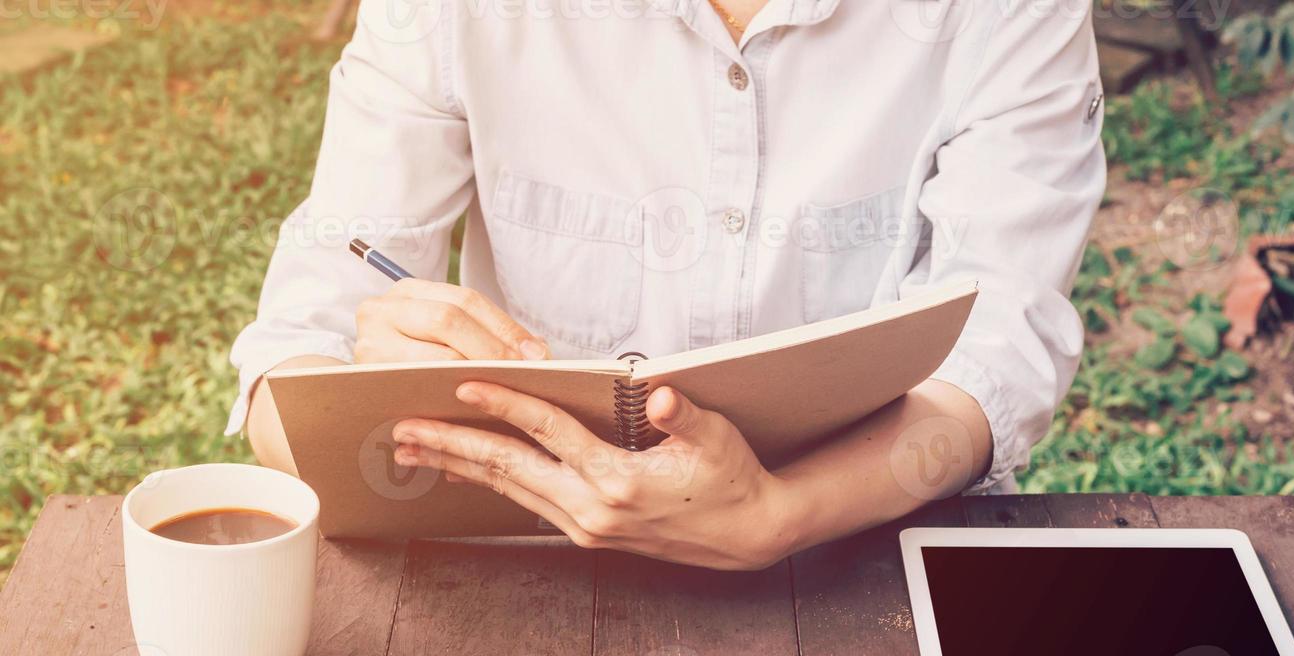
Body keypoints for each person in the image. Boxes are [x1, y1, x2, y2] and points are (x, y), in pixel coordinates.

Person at [230, 0, 1106, 570]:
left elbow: (997, 352)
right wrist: (352, 386)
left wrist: (781, 517)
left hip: (859, 550)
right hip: (532, 568)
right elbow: (294, 354)